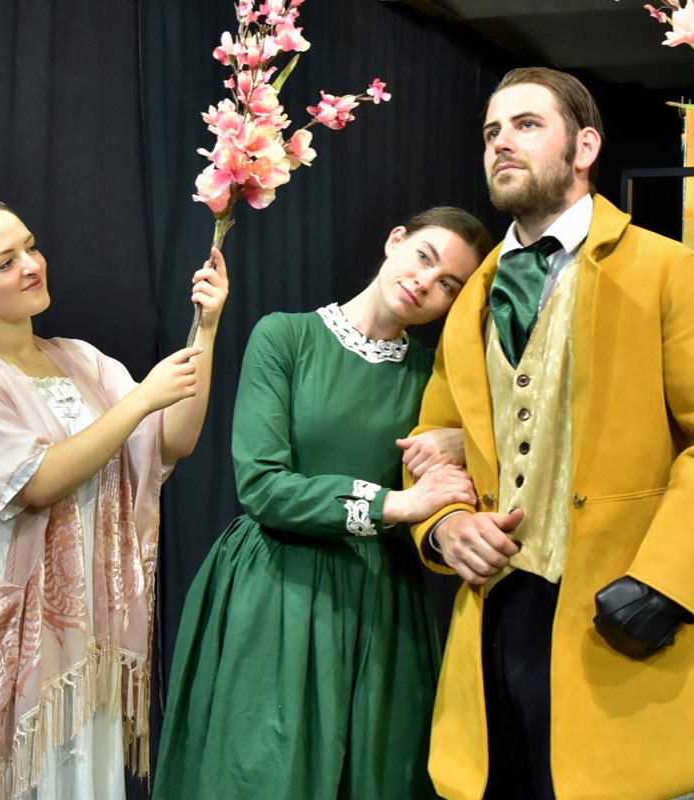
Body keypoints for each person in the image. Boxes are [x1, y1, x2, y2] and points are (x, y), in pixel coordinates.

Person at [407, 67, 694, 800]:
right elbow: (435, 436)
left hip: (615, 604)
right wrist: (444, 526)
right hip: (492, 612)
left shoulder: (667, 271)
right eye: (491, 131)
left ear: (584, 147)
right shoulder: (472, 296)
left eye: (526, 125)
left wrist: (665, 584)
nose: (501, 142)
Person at [152, 207, 492, 800]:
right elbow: (263, 485)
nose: (425, 283)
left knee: (375, 776)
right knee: (261, 775)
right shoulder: (285, 336)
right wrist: (393, 504)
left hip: (380, 603)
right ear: (395, 240)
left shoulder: (434, 376)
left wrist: (465, 439)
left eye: (448, 285)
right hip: (276, 589)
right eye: (423, 257)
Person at [0, 196, 229, 799]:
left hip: (87, 627)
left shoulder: (81, 359)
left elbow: (174, 438)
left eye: (30, 247)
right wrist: (142, 398)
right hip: (14, 633)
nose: (32, 265)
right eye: (5, 262)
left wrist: (206, 327)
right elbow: (38, 480)